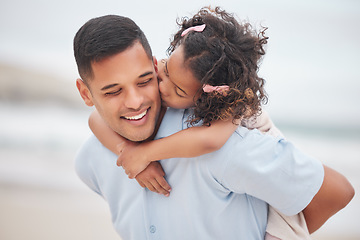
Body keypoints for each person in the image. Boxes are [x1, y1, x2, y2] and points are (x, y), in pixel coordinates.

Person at [74, 8, 354, 240]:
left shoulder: (220, 142)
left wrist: (145, 154)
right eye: (112, 91)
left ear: (152, 63)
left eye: (145, 80)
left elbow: (336, 191)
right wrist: (129, 153)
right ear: (86, 94)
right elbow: (95, 120)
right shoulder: (91, 160)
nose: (135, 101)